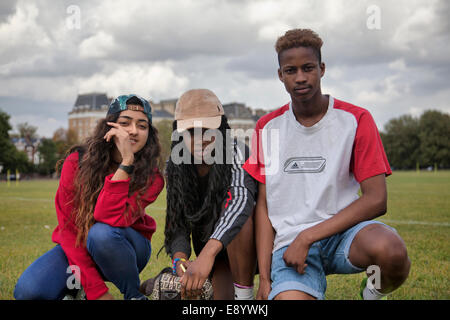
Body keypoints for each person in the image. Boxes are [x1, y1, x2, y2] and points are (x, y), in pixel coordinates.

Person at [243, 29, 411, 300]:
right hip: (289, 246)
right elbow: (263, 206)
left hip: (345, 237)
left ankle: (371, 294)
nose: (300, 77)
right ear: (280, 75)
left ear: (321, 69)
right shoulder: (267, 127)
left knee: (391, 252)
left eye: (308, 68)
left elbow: (377, 199)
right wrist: (264, 278)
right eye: (290, 70)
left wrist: (308, 236)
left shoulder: (356, 119)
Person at [14, 94, 164, 300]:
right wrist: (98, 292)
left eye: (142, 126)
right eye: (124, 123)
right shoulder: (77, 163)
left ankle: (134, 295)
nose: (133, 131)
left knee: (102, 234)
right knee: (28, 291)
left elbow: (109, 217)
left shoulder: (152, 176)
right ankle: (79, 289)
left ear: (149, 133)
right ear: (109, 126)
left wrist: (127, 162)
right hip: (80, 245)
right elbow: (69, 232)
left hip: (126, 248)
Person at [162, 88, 257, 300]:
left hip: (249, 246)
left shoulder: (237, 151)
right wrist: (180, 260)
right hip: (215, 253)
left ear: (221, 128)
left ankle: (245, 297)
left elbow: (240, 202)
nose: (201, 139)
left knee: (240, 214)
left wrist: (206, 256)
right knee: (219, 298)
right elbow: (176, 224)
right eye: (191, 131)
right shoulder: (175, 165)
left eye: (208, 129)